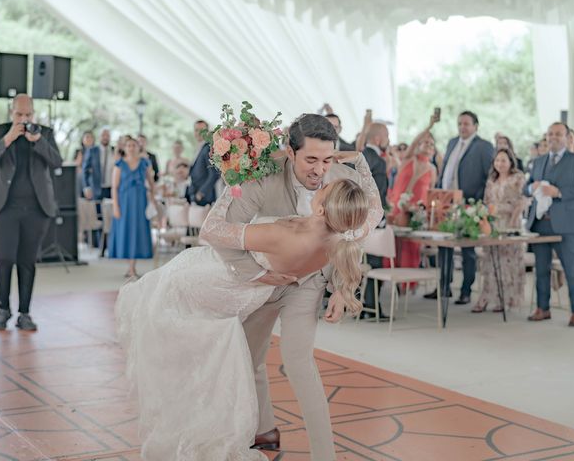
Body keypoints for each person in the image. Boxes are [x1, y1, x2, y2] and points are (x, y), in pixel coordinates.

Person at [116, 163, 382, 460]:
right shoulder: (341, 238)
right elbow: (374, 209)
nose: (321, 185)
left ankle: (194, 422)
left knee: (154, 304)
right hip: (247, 294)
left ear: (322, 210)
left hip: (214, 277)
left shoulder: (285, 235)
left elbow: (213, 231)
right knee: (202, 349)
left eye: (326, 189)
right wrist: (360, 164)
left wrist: (236, 184)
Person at [209, 114, 382, 460]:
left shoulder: (344, 178)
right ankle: (265, 428)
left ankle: (325, 455)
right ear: (290, 152)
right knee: (249, 358)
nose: (320, 170)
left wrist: (338, 288)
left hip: (308, 282)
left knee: (299, 361)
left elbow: (349, 235)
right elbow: (220, 231)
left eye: (328, 159)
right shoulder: (260, 177)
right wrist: (256, 276)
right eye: (311, 160)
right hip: (261, 281)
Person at [0, 94, 62, 331]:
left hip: (36, 209)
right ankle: (3, 308)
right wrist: (7, 139)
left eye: (28, 114)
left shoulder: (44, 133)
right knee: (3, 259)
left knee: (27, 262)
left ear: (33, 114)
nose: (24, 119)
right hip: (3, 209)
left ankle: (24, 313)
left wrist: (37, 141)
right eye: (19, 114)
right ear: (11, 112)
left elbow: (57, 162)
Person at [424, 110, 494, 304]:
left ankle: (466, 290)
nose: (462, 127)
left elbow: (489, 176)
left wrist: (478, 203)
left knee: (467, 251)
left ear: (475, 126)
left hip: (468, 204)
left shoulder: (484, 146)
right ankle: (444, 286)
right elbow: (445, 169)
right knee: (444, 246)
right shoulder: (453, 142)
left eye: (466, 124)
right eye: (460, 124)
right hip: (445, 202)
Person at [525, 122, 574, 327]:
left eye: (558, 134)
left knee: (572, 269)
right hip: (540, 225)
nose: (553, 137)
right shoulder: (538, 162)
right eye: (550, 134)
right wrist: (531, 188)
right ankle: (542, 308)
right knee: (541, 269)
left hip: (567, 226)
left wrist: (559, 193)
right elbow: (525, 188)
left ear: (566, 137)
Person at [472, 149, 527, 312]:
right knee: (490, 261)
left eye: (503, 160)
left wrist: (510, 222)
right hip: (493, 224)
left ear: (511, 161)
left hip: (510, 223)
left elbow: (520, 201)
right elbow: (486, 201)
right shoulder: (492, 180)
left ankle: (505, 299)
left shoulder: (518, 178)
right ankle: (486, 296)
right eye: (497, 160)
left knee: (507, 261)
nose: (500, 164)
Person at [388, 117, 438, 290]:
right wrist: (429, 126)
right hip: (398, 207)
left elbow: (431, 193)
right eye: (425, 142)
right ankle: (393, 280)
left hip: (416, 211)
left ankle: (408, 284)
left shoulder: (432, 169)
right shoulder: (409, 159)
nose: (428, 146)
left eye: (431, 144)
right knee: (395, 245)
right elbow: (416, 139)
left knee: (411, 246)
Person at [355, 112, 390, 320]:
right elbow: (379, 194)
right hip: (374, 219)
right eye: (386, 137)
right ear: (378, 139)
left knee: (361, 262)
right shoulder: (379, 161)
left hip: (358, 218)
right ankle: (373, 306)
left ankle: (361, 306)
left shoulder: (359, 157)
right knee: (376, 263)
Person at [108, 137, 157, 279]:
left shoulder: (144, 163)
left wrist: (152, 200)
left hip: (140, 203)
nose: (131, 148)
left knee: (137, 232)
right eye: (128, 145)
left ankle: (132, 268)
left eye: (133, 145)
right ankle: (130, 267)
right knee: (126, 232)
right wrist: (115, 206)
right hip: (124, 203)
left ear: (138, 147)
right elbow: (114, 188)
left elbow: (151, 184)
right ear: (124, 148)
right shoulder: (119, 165)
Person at [188, 119, 219, 206]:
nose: (198, 133)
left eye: (202, 130)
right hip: (195, 193)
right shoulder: (198, 148)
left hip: (204, 197)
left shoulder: (208, 148)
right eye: (196, 130)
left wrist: (201, 193)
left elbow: (214, 173)